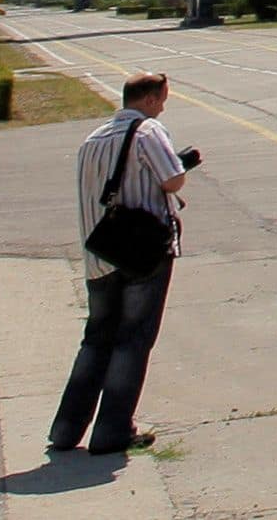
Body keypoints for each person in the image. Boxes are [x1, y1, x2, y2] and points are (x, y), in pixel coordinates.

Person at [49, 72, 198, 459]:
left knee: (96, 339)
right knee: (133, 339)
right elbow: (172, 181)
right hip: (140, 252)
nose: (163, 107)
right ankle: (113, 429)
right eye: (162, 99)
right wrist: (180, 166)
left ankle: (66, 429)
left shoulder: (92, 139)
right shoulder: (149, 131)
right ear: (148, 100)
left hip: (100, 253)